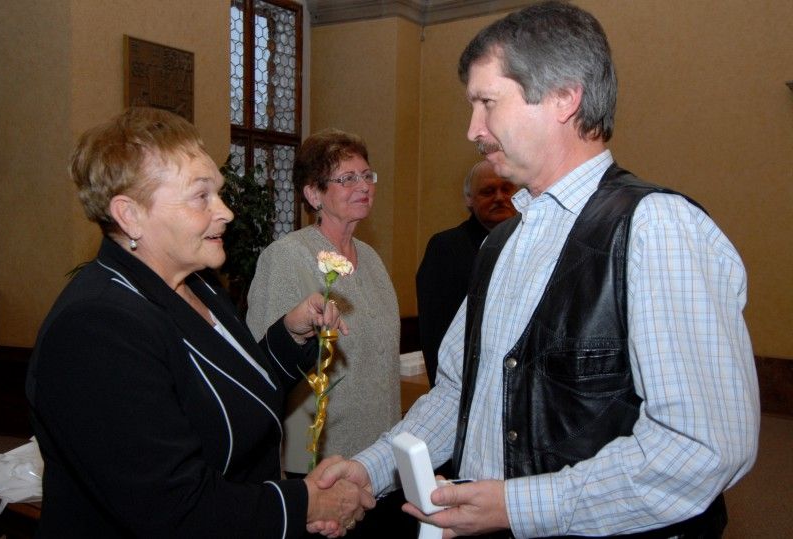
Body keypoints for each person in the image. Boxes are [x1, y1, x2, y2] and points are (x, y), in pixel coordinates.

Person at [319, 2, 760, 537]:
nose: (472, 130)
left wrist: (519, 506)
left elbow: (703, 448)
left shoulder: (655, 228)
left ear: (563, 97)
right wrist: (372, 467)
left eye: (487, 103)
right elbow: (460, 394)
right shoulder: (502, 243)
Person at [25, 107, 373, 538]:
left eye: (219, 194)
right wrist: (305, 502)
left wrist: (288, 336)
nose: (225, 212)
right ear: (129, 214)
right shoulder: (95, 328)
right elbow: (172, 507)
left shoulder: (196, 284)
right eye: (201, 196)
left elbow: (228, 394)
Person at [246, 128, 401, 477]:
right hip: (320, 462)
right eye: (347, 179)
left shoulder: (372, 259)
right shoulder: (286, 257)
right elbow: (261, 372)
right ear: (314, 194)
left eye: (367, 175)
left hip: (380, 457)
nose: (363, 186)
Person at [416, 160, 517, 386]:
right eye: (488, 191)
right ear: (469, 199)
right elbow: (436, 333)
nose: (499, 197)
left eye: (506, 189)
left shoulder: (530, 243)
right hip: (465, 384)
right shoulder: (446, 248)